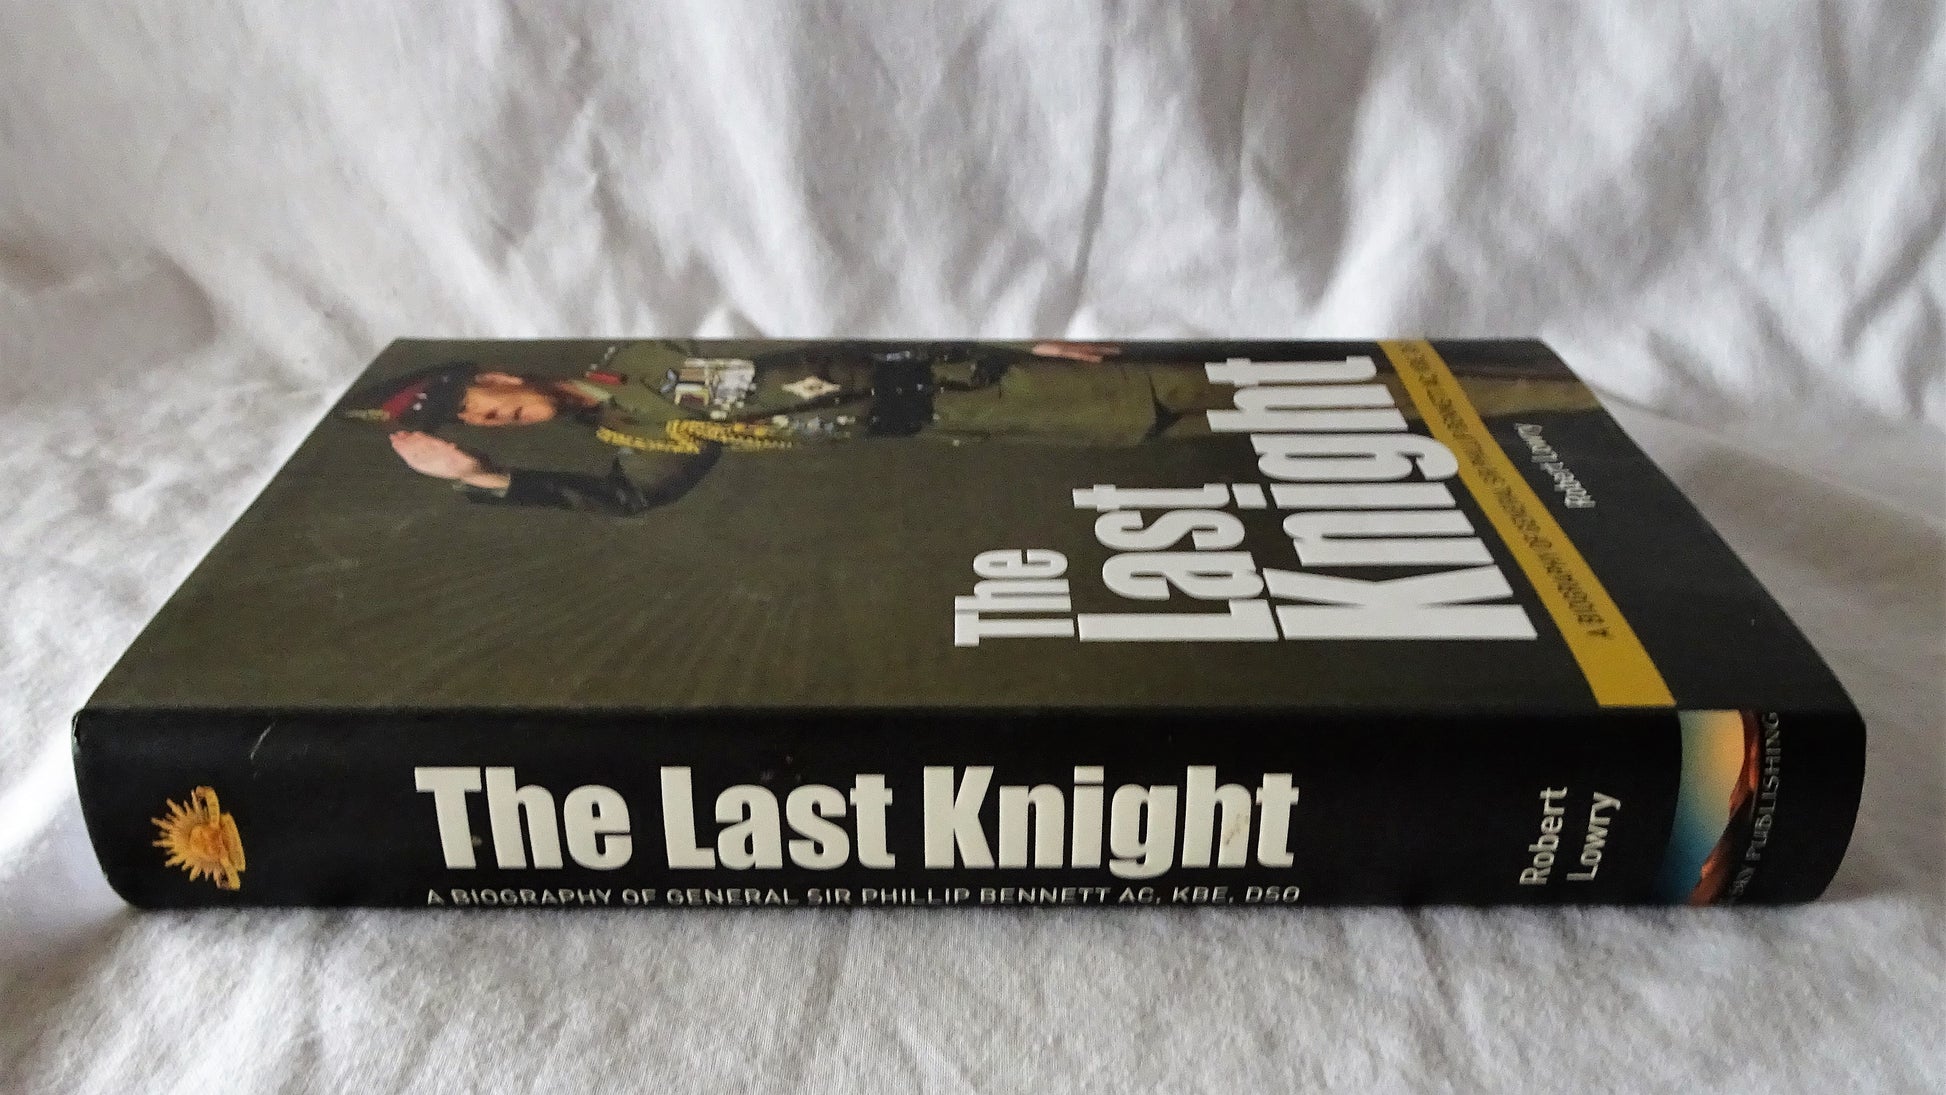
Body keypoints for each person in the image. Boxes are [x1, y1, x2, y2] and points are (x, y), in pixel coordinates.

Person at [342, 339, 1600, 517]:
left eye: (487, 401)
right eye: (488, 422)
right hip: (972, 427)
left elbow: (823, 301)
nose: (502, 414)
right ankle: (1515, 416)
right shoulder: (640, 438)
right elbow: (629, 504)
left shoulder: (651, 346)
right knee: (1251, 426)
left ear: (497, 370)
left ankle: (1542, 394)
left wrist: (1011, 325)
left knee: (1268, 384)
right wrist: (483, 477)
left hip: (985, 367)